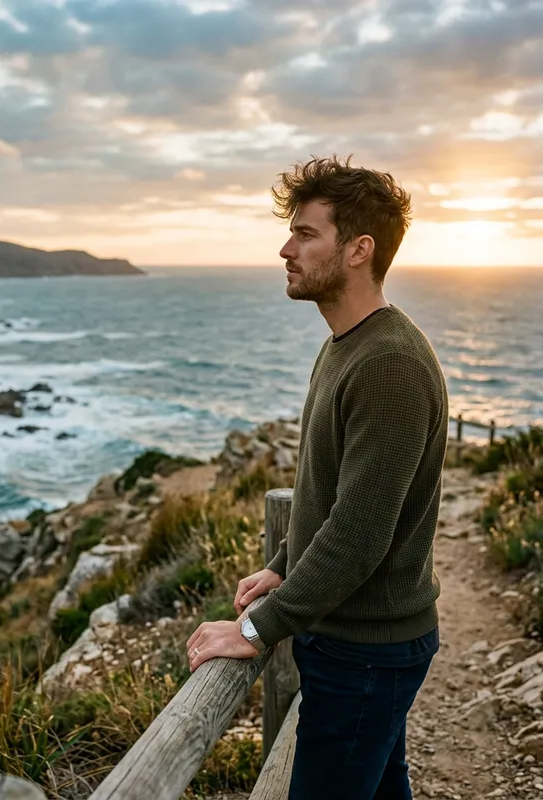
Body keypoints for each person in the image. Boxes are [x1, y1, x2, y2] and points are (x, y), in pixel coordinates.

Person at [186, 156, 448, 799]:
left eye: (306, 234)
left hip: (366, 652)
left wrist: (254, 628)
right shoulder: (346, 345)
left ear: (360, 250)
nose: (285, 248)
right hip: (354, 641)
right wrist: (283, 561)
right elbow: (333, 493)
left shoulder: (389, 362)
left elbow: (359, 536)